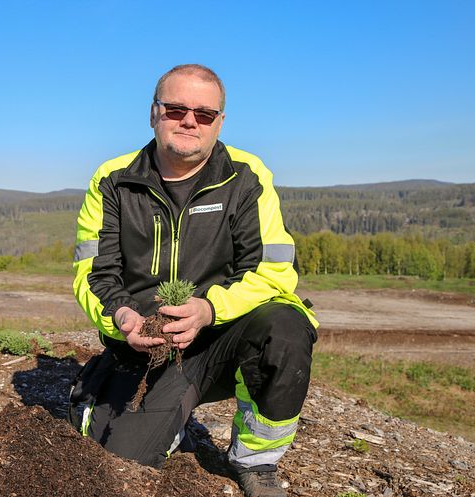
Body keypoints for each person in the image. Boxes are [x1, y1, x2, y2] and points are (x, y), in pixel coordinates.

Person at [70, 64, 318, 497]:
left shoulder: (246, 176)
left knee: (285, 326)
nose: (189, 120)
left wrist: (209, 310)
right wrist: (123, 319)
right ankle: (108, 388)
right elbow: (94, 273)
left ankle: (255, 462)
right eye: (176, 108)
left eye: (205, 114)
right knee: (122, 459)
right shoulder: (113, 179)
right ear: (153, 112)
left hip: (219, 340)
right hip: (143, 346)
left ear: (219, 122)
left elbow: (273, 270)